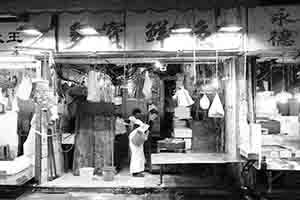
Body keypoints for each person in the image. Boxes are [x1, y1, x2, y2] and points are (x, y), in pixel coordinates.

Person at [128, 108, 148, 177]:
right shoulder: (132, 119)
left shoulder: (137, 120)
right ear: (135, 114)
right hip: (134, 138)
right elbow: (131, 128)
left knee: (140, 154)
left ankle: (139, 171)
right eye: (138, 114)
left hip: (138, 138)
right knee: (136, 155)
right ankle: (135, 172)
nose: (139, 115)